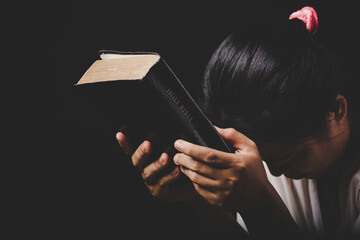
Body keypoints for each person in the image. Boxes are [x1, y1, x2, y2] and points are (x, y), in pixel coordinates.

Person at [116, 6, 360, 239]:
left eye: (284, 158)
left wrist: (259, 203)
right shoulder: (268, 155)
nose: (272, 172)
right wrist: (198, 198)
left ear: (336, 111)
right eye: (264, 160)